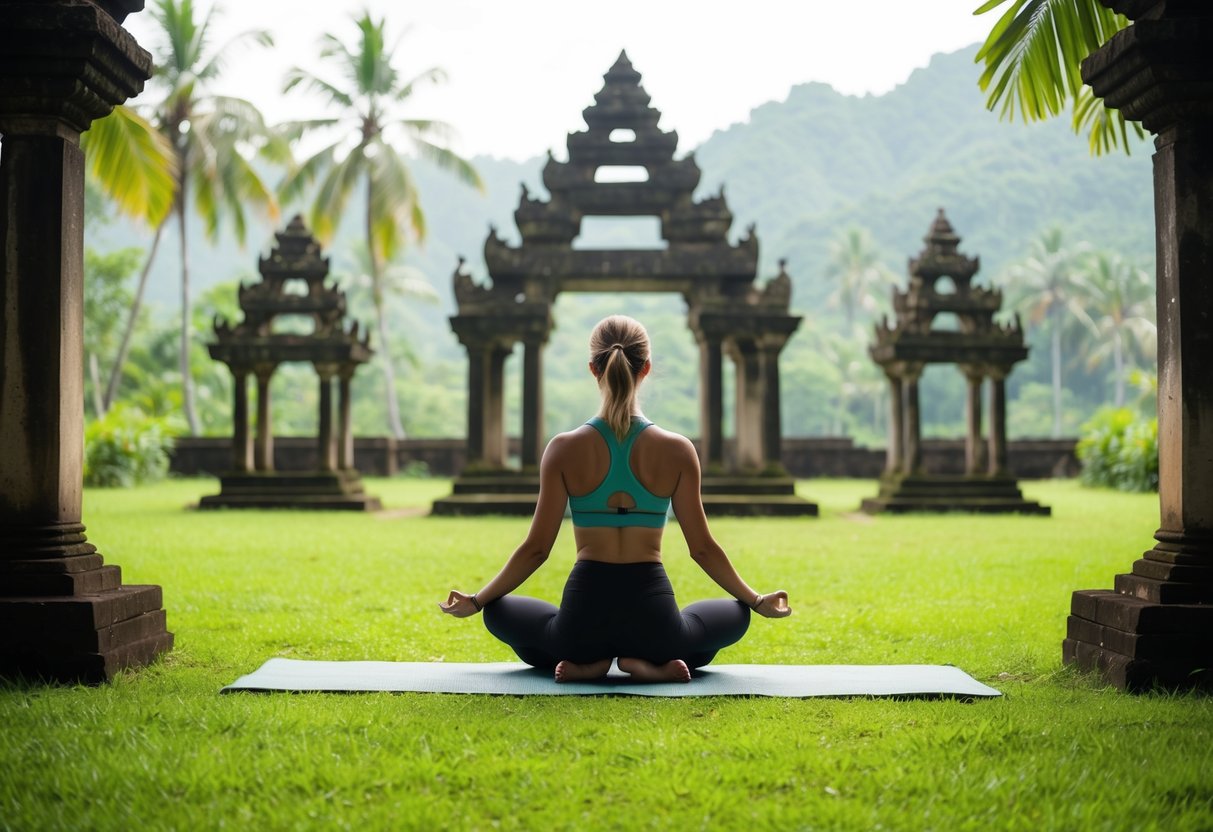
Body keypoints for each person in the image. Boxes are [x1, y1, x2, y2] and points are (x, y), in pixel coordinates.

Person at [440, 314, 791, 683]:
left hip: (581, 620)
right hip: (655, 619)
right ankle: (645, 663)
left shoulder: (563, 449)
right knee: (734, 616)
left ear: (594, 369)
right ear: (647, 368)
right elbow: (702, 548)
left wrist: (478, 601)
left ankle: (589, 662)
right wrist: (755, 600)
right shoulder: (678, 450)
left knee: (500, 614)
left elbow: (536, 549)